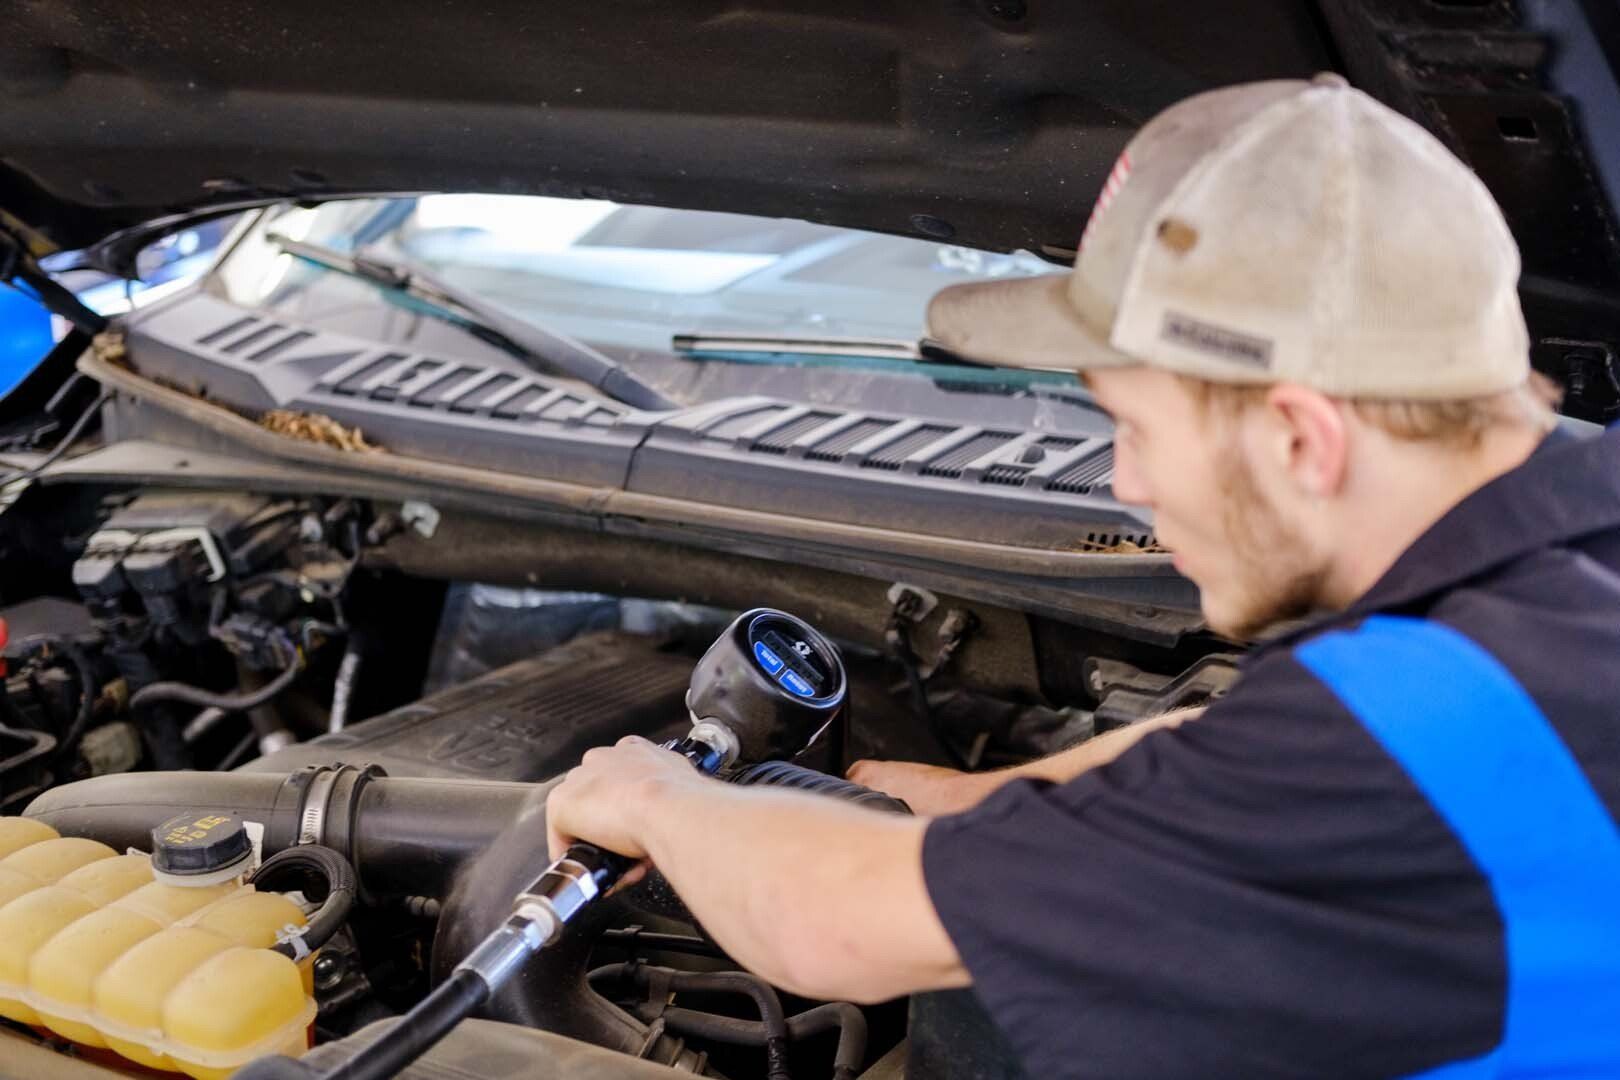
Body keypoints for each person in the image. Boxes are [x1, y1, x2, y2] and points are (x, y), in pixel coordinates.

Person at [545, 75, 1620, 1078]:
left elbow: (839, 926)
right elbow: (1224, 747)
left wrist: (653, 796)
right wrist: (978, 797)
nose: (1126, 482)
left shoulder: (1414, 729)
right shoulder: (1553, 591)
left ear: (1300, 438)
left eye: (1136, 427)